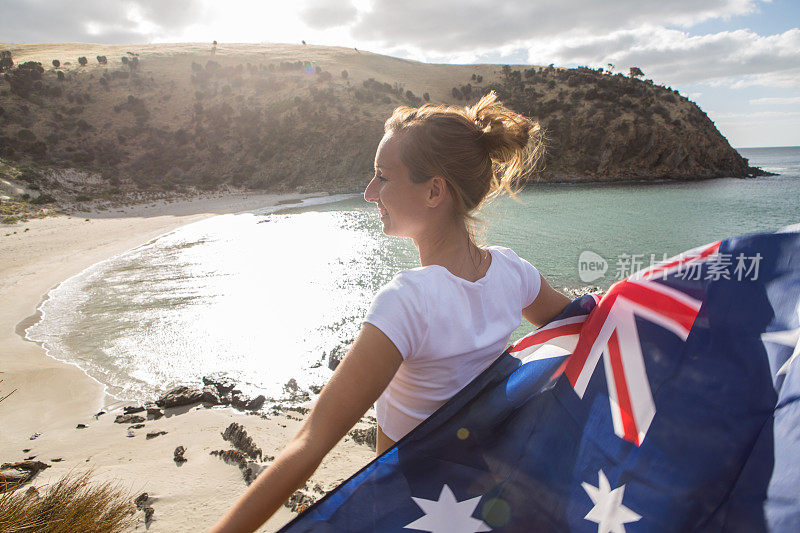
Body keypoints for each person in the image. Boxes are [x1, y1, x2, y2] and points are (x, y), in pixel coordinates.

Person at [208, 91, 571, 532]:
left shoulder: (408, 302)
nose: (368, 193)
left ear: (435, 190)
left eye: (382, 177)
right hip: (484, 503)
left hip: (412, 510)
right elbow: (581, 323)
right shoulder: (513, 272)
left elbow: (310, 443)